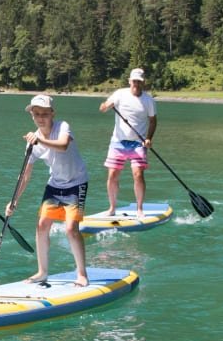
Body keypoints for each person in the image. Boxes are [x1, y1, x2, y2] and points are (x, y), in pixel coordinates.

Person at [20, 94, 89, 287]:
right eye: (36, 114)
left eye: (44, 113)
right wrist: (14, 201)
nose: (41, 117)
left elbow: (63, 146)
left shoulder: (62, 127)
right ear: (32, 115)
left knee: (71, 229)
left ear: (52, 114)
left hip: (77, 183)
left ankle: (82, 274)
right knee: (42, 225)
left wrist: (39, 141)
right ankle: (42, 272)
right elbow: (25, 175)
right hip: (55, 184)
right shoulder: (32, 142)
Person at [98, 67, 157, 215]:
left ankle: (139, 208)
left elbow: (153, 121)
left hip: (138, 143)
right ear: (129, 81)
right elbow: (102, 107)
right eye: (134, 81)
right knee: (112, 175)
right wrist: (106, 106)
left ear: (143, 83)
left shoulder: (148, 100)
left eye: (139, 81)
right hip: (118, 141)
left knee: (138, 174)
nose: (136, 84)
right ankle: (112, 208)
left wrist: (149, 138)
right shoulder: (119, 94)